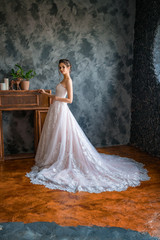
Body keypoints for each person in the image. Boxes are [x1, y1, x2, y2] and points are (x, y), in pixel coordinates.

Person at [26, 59, 150, 193]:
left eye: (63, 67)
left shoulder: (69, 81)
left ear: (69, 67)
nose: (61, 69)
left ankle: (64, 160)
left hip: (62, 110)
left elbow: (70, 100)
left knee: (64, 135)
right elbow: (57, 95)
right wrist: (46, 94)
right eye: (60, 67)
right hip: (56, 110)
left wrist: (55, 98)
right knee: (57, 136)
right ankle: (57, 157)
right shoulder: (63, 79)